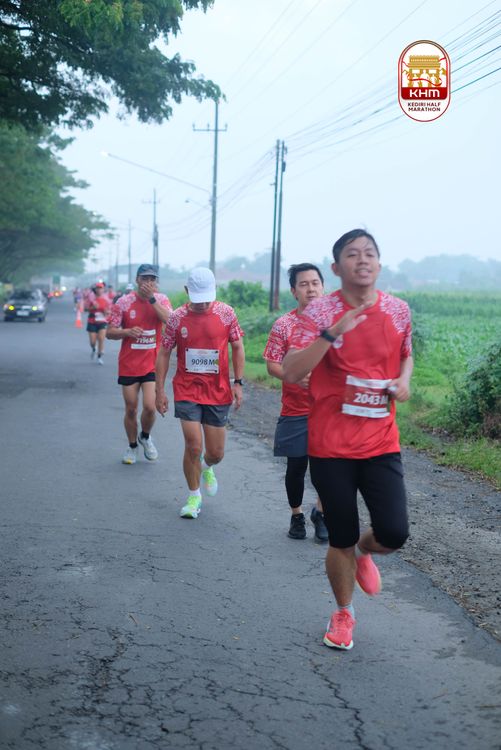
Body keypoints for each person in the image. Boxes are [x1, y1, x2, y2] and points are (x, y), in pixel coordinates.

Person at [283, 229, 413, 651]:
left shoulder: (397, 310)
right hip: (331, 445)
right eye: (353, 254)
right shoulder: (318, 313)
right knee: (339, 534)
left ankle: (364, 550)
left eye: (370, 253)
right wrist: (331, 332)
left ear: (379, 263)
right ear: (337, 268)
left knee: (394, 532)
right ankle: (343, 613)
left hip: (380, 440)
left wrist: (404, 381)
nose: (363, 260)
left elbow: (406, 354)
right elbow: (291, 370)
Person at [155, 267, 245, 519]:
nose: (203, 304)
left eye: (207, 298)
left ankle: (206, 467)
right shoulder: (176, 318)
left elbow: (238, 347)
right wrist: (159, 390)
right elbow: (164, 352)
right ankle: (194, 496)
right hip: (187, 388)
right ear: (187, 291)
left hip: (218, 390)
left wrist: (238, 382)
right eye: (198, 298)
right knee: (193, 445)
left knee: (215, 453)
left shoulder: (226, 313)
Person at [263, 263, 329, 543]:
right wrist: (294, 376)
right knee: (297, 466)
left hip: (328, 410)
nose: (310, 289)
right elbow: (271, 364)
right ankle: (297, 515)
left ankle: (321, 513)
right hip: (296, 409)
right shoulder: (284, 325)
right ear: (293, 291)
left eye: (315, 283)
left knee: (327, 468)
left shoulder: (335, 324)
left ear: (323, 287)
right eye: (304, 284)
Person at [106, 264, 172, 465]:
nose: (148, 283)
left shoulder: (161, 299)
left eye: (152, 279)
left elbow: (170, 321)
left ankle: (145, 436)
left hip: (152, 363)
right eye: (145, 279)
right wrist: (126, 332)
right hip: (129, 364)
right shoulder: (123, 302)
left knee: (150, 407)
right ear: (137, 280)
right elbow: (109, 332)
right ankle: (132, 445)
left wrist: (152, 299)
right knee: (131, 409)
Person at [84, 282, 111, 365]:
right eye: (98, 288)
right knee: (92, 342)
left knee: (101, 339)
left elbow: (109, 311)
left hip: (102, 321)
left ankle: (99, 356)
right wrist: (92, 307)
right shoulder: (91, 298)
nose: (99, 290)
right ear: (95, 289)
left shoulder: (106, 299)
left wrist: (107, 312)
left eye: (101, 288)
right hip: (92, 321)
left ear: (103, 289)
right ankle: (93, 348)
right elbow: (85, 309)